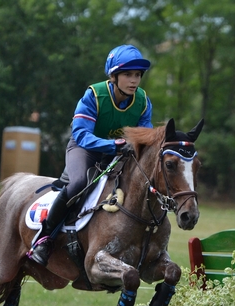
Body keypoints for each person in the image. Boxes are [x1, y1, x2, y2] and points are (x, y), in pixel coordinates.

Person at [28, 44, 153, 266]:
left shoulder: (142, 102)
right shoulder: (94, 95)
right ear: (113, 76)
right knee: (78, 183)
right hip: (85, 149)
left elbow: (144, 137)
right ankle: (44, 239)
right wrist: (112, 144)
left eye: (137, 75)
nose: (134, 80)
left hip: (118, 153)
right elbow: (81, 134)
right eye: (127, 74)